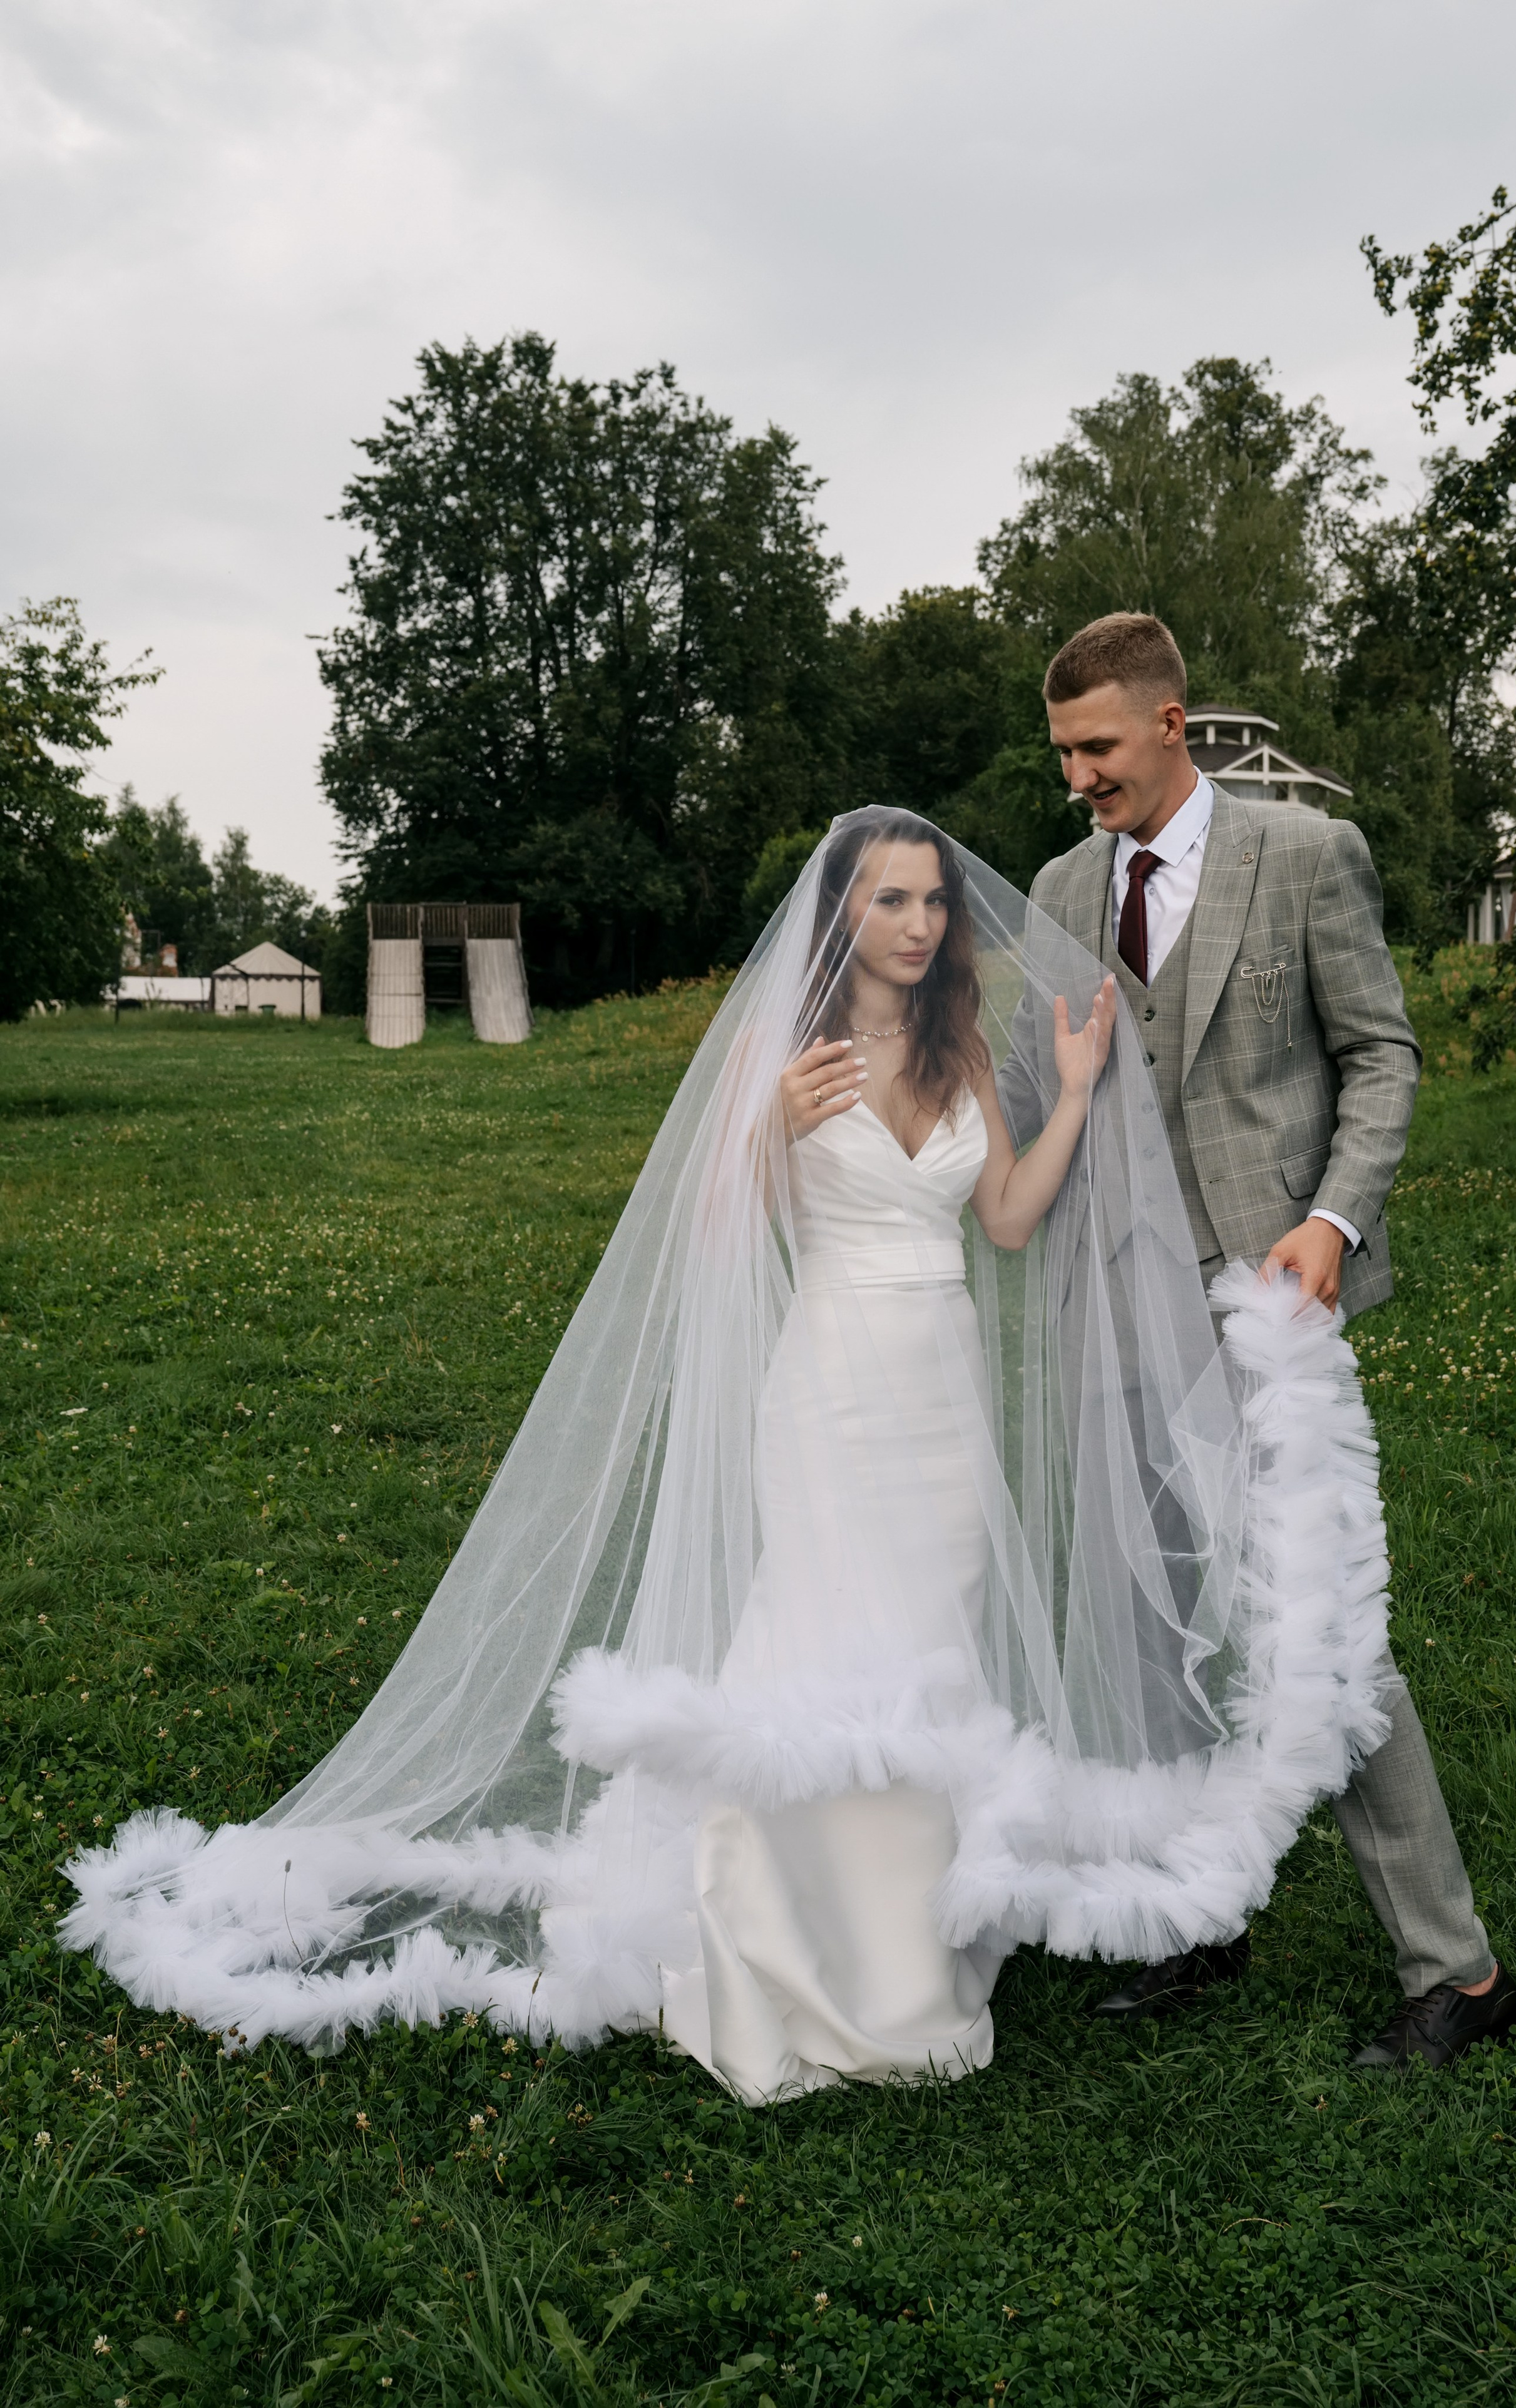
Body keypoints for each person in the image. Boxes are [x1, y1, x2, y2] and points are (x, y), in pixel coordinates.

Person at [63, 808, 1396, 2104]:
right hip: (829, 1386)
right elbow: (709, 1229)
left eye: (933, 900)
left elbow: (999, 1220)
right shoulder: (797, 1049)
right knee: (818, 1635)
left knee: (932, 1636)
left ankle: (896, 1952)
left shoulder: (958, 1056)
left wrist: (1080, 1095)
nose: (921, 923)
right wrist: (764, 1120)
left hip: (938, 1392)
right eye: (891, 899)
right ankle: (773, 1946)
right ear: (843, 913)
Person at [1000, 611, 1516, 2069]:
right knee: (1166, 1618)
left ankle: (1458, 1972)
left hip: (1265, 1298)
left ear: (1170, 723)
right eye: (1061, 754)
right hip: (1117, 1302)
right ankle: (1200, 1906)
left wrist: (1332, 1222)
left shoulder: (1301, 854)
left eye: (1095, 748)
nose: (1077, 778)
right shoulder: (1053, 883)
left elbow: (1379, 1054)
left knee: (1320, 1631)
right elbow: (1037, 1083)